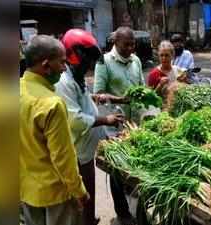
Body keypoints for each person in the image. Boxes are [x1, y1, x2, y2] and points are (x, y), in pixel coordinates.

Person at [55, 29, 125, 225]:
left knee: (89, 193)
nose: (89, 67)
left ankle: (89, 218)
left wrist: (97, 98)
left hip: (86, 149)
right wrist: (106, 120)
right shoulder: (63, 82)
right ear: (73, 56)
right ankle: (86, 220)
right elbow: (75, 119)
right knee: (82, 196)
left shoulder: (76, 77)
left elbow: (82, 101)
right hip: (76, 152)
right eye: (87, 61)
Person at [20, 35, 89, 225]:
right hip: (55, 194)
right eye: (62, 62)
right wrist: (79, 191)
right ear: (45, 65)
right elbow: (63, 157)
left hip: (25, 189)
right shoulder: (52, 104)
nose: (65, 67)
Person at [94, 26, 144, 225]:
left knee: (132, 166)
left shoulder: (136, 60)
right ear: (115, 42)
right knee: (116, 169)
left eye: (133, 44)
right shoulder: (104, 62)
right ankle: (122, 213)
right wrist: (121, 100)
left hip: (134, 123)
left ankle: (133, 203)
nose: (131, 48)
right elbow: (98, 95)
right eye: (127, 44)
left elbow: (141, 86)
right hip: (114, 125)